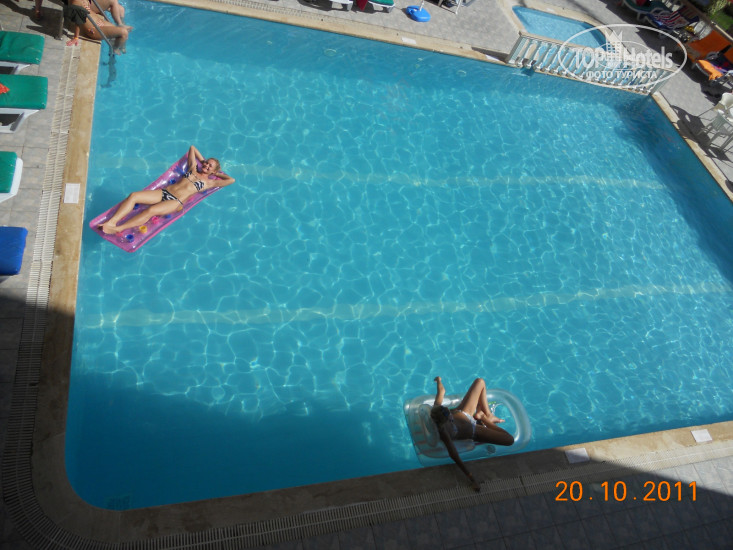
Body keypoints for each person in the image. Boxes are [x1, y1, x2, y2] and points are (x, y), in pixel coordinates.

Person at [99, 145, 235, 235]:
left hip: (175, 202)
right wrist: (204, 162)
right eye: (206, 163)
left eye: (210, 166)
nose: (206, 165)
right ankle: (112, 222)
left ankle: (118, 228)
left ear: (214, 171)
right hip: (164, 192)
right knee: (134, 196)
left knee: (150, 210)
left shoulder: (209, 183)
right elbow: (192, 148)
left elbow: (231, 180)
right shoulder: (193, 168)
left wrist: (216, 173)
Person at [429, 376, 514, 492]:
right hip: (474, 430)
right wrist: (472, 478)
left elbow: (441, 391)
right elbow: (454, 456)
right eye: (450, 419)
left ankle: (488, 414)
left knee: (480, 381)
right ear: (444, 422)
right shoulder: (444, 432)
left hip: (464, 412)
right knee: (509, 440)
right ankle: (483, 417)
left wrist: (438, 380)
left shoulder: (436, 409)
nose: (450, 415)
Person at [66, 0, 132, 54]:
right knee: (124, 32)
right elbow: (77, 19)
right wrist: (76, 37)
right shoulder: (77, 1)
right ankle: (114, 50)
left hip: (98, 22)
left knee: (120, 31)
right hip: (93, 29)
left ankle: (119, 47)